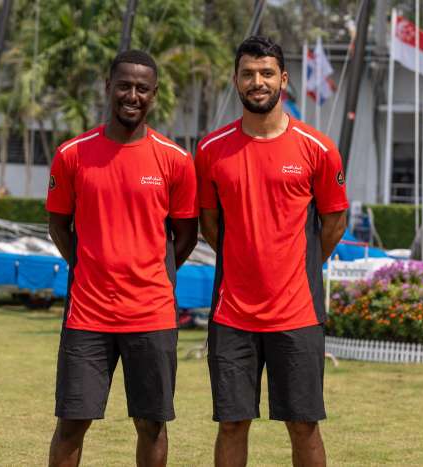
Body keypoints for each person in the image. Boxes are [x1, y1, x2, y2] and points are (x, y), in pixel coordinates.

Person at [195, 36, 348, 467]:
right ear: (235, 80)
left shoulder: (318, 148)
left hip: (297, 314)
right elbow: (209, 224)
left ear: (283, 78)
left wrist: (297, 267)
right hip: (232, 315)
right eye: (248, 74)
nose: (257, 82)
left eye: (266, 73)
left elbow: (334, 223)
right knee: (231, 424)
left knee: (303, 424)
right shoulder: (210, 150)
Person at [46, 50, 199, 467]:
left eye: (142, 88)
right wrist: (88, 266)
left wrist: (152, 273)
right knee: (72, 422)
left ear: (154, 94)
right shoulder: (72, 154)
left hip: (151, 314)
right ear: (107, 87)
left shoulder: (175, 160)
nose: (133, 95)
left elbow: (186, 234)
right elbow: (58, 225)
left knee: (151, 424)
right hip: (87, 315)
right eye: (124, 86)